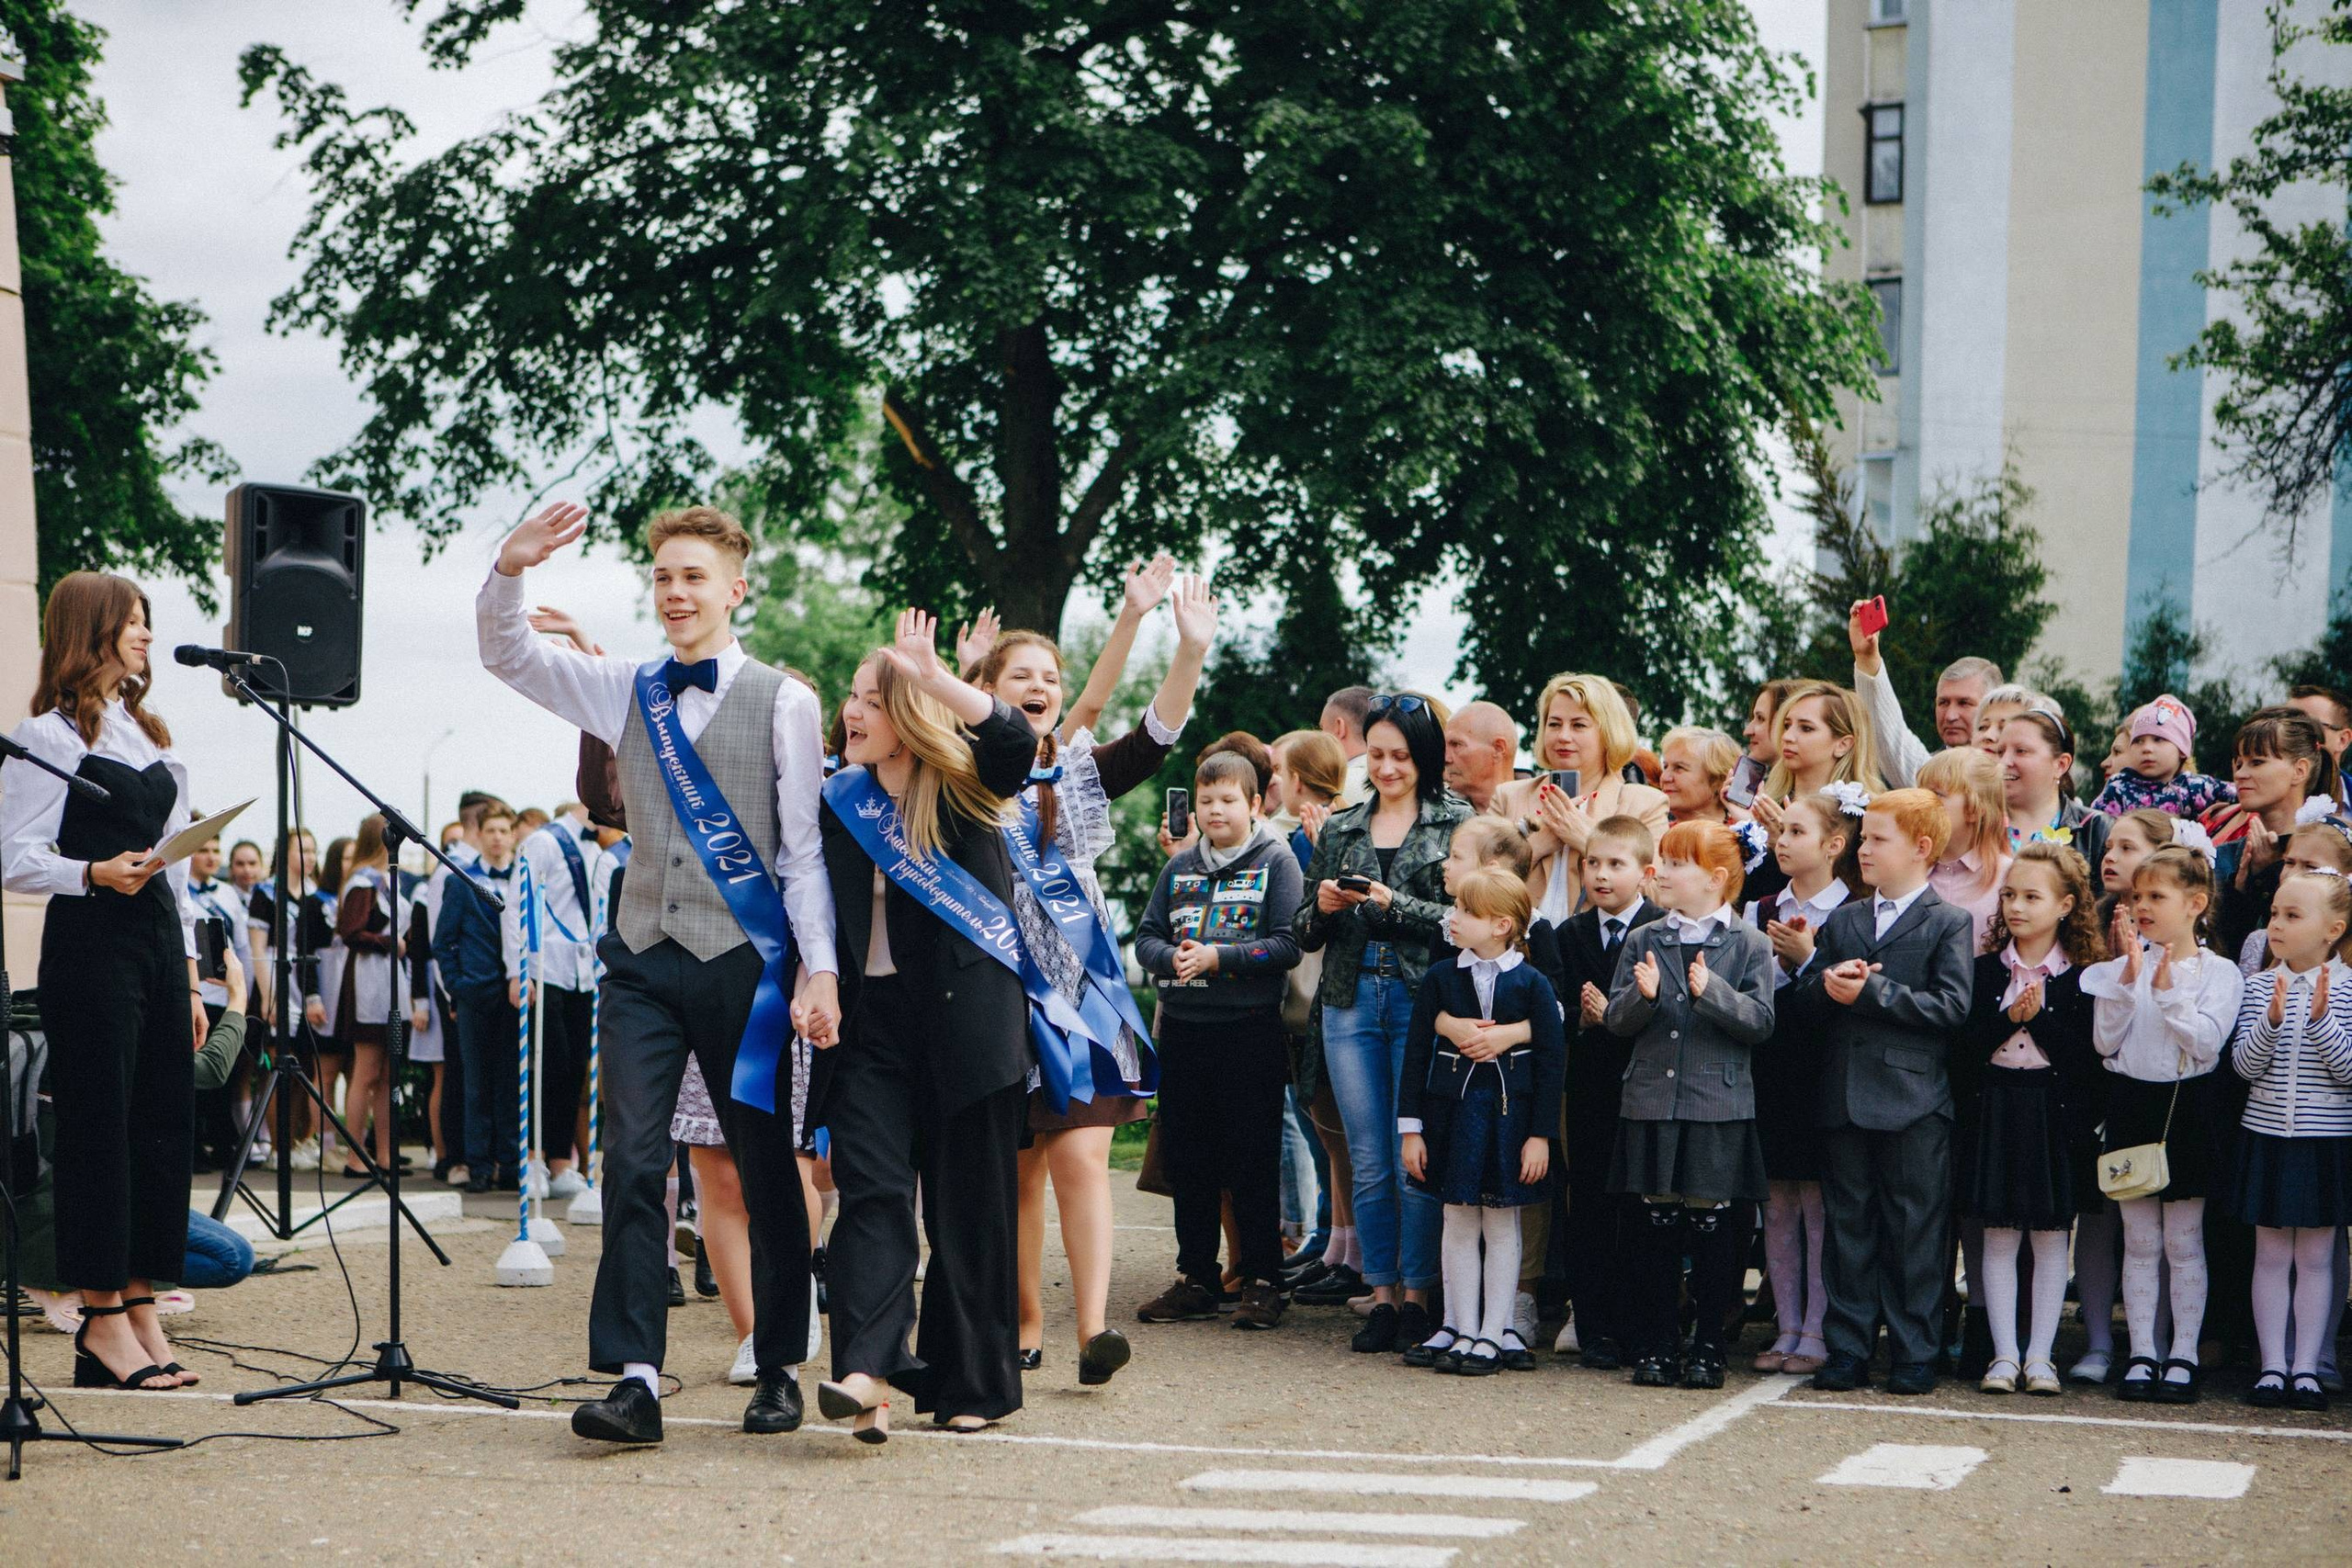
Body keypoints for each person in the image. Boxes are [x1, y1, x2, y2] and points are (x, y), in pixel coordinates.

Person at [481, 500, 838, 1446]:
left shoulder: (786, 701)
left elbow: (802, 853)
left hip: (745, 968)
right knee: (633, 1164)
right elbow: (510, 657)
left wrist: (820, 972)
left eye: (693, 577)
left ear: (734, 588)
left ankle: (778, 1364)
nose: (675, 593)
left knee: (765, 1173)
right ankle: (636, 1377)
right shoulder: (623, 685)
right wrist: (509, 570)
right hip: (640, 958)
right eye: (663, 577)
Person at [964, 570, 1216, 1385]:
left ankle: (1094, 1331)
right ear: (987, 693)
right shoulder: (963, 779)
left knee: (1080, 1158)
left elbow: (1144, 726)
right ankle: (1027, 1321)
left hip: (1081, 998)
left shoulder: (1072, 775)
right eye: (1019, 677)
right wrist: (959, 678)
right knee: (1021, 1169)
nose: (1039, 688)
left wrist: (1179, 643)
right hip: (999, 997)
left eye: (1049, 677)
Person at [813, 612, 1036, 1441]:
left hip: (968, 1022)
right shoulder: (841, 802)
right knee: (870, 1194)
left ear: (908, 715)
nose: (853, 711)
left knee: (965, 1210)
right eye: (852, 697)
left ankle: (970, 1381)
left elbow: (1015, 742)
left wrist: (939, 676)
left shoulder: (968, 784)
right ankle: (863, 1373)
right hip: (870, 1027)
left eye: (871, 699)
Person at [0, 570, 207, 1392]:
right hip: (91, 939)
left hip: (156, 937)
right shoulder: (47, 736)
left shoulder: (149, 731)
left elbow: (181, 873)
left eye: (148, 622)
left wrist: (191, 978)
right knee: (99, 1128)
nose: (147, 635)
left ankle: (142, 1303)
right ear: (91, 630)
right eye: (132, 622)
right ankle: (100, 1320)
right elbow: (13, 854)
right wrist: (90, 871)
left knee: (161, 1124)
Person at [1295, 693, 1472, 1354]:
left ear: (1424, 757)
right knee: (1368, 1158)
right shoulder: (1342, 824)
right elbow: (1302, 934)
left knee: (1412, 1155)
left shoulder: (1461, 821)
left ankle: (1422, 1296)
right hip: (1347, 998)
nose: (1388, 766)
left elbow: (1468, 919)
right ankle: (1383, 1294)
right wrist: (1320, 902)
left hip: (1420, 997)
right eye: (1376, 754)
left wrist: (1397, 906)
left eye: (1401, 755)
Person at [1788, 787, 1974, 1396]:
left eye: (1876, 839)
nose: (1863, 849)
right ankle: (1848, 1346)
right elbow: (1806, 1002)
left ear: (1921, 848)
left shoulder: (1949, 921)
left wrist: (1871, 993)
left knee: (1914, 1229)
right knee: (1849, 1227)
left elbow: (1952, 1007)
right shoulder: (1843, 919)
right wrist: (1827, 983)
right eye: (1863, 838)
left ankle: (1915, 1348)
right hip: (1845, 1094)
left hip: (1913, 1101)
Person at [1133, 750, 1305, 1331]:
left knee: (1252, 1157)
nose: (1214, 811)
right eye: (1206, 801)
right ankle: (1196, 1277)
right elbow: (1147, 936)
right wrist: (1174, 958)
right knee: (1189, 1157)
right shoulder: (1178, 868)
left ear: (1255, 804)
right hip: (1184, 1029)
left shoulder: (1276, 863)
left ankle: (1262, 1280)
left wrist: (1218, 958)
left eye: (1228, 800)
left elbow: (1286, 944)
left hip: (1248, 1029)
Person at [1603, 820, 1777, 1390]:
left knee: (1713, 1229)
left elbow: (1761, 1022)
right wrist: (1642, 998)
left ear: (1717, 879)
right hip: (1652, 1100)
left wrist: (1714, 993)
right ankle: (1656, 1343)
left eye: (1677, 864)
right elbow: (1615, 1019)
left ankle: (1709, 1344)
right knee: (1654, 1228)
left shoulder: (1750, 943)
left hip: (1717, 1107)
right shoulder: (1645, 937)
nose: (1662, 873)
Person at [2084, 845, 2243, 1404]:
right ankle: (2143, 1352)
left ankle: (2184, 1354)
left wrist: (2168, 990)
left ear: (2196, 903)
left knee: (2183, 1240)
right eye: (2137, 896)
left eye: (2157, 896)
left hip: (2188, 1108)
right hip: (2132, 1104)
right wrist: (2127, 984)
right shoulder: (2124, 967)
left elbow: (2205, 1044)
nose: (2143, 906)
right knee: (2140, 1240)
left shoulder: (2220, 973)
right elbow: (2105, 1045)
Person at [1398, 867, 1566, 1374]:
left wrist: (1540, 1136)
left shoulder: (1533, 983)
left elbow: (1551, 1063)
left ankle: (1496, 1329)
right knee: (1456, 1218)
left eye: (1466, 912)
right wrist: (1411, 1129)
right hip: (1450, 1117)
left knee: (1501, 1221)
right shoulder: (1440, 978)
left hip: (1508, 1122)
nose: (1453, 918)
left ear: (1500, 925)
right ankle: (1458, 1324)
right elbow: (1415, 1054)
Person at [1957, 844, 2105, 1396]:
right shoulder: (1982, 969)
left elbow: (2086, 1058)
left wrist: (2035, 1019)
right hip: (1997, 1104)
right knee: (1996, 1234)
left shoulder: (2084, 978)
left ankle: (2041, 1356)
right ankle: (2002, 1354)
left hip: (2052, 1110)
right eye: (2011, 895)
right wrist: (2006, 1021)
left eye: (2032, 897)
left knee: (2048, 1236)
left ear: (2065, 905)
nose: (2017, 906)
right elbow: (1962, 1048)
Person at [2230, 870, 2352, 1412]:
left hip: (2325, 1141)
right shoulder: (2258, 986)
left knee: (2319, 1256)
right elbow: (2243, 1067)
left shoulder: (2348, 989)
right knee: (2271, 1255)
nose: (2276, 924)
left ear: (2334, 929)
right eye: (2275, 913)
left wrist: (2323, 1021)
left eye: (2293, 916)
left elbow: (2348, 1072)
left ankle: (2307, 1366)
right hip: (2267, 1136)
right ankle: (2271, 1365)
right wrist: (2273, 1022)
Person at [1749, 793, 1862, 1376]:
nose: (1781, 840)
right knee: (1778, 1199)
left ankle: (1819, 1327)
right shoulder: (1760, 904)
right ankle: (1786, 1323)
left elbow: (1846, 991)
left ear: (1834, 844)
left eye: (1796, 830)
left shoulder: (1854, 911)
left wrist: (1808, 956)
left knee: (1819, 1202)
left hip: (1827, 1064)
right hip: (1772, 1063)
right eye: (1780, 831)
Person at [1555, 816, 1665, 1367]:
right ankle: (1594, 1325)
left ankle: (1643, 1325)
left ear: (1645, 874)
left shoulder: (1662, 929)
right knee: (1591, 1202)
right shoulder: (1569, 935)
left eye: (1616, 864)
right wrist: (1584, 1016)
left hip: (1647, 1086)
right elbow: (1552, 1006)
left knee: (1642, 1205)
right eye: (1592, 863)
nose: (1601, 875)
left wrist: (1620, 1014)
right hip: (1591, 1086)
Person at [1489, 673, 1670, 926]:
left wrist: (1590, 842)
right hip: (1516, 951)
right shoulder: (1508, 796)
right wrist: (1536, 847)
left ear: (1608, 734)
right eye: (1554, 724)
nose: (1563, 736)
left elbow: (1660, 896)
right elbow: (1475, 886)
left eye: (1578, 725)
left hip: (1597, 957)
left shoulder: (1645, 803)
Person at [503, 800, 609, 1198]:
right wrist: (518, 970)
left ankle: (562, 1161)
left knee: (574, 1070)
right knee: (544, 1066)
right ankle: (531, 1159)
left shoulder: (598, 850)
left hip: (584, 972)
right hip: (545, 969)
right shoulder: (544, 841)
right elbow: (517, 905)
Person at [434, 805, 523, 1195]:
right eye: (491, 830)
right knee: (475, 1084)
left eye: (505, 830)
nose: (498, 837)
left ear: (514, 835)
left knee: (510, 1082)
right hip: (475, 993)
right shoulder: (462, 881)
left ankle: (511, 1164)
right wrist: (459, 985)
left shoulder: (523, 880)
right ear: (480, 835)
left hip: (514, 995)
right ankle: (479, 1166)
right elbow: (443, 941)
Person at [2209, 706, 2344, 957]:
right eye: (2239, 763)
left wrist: (2269, 876)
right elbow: (2218, 952)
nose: (2240, 774)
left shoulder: (2335, 847)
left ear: (2299, 770)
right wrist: (2240, 892)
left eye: (2257, 762)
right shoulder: (2222, 858)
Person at [1847, 603, 2001, 786]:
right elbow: (1891, 738)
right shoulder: (1930, 775)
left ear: (1992, 708)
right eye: (1943, 703)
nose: (1950, 716)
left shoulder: (2015, 772)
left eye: (1964, 703)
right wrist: (1866, 658)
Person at [333, 814, 404, 1177]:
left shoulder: (386, 879)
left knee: (389, 1072)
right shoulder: (362, 882)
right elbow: (350, 931)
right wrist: (389, 942)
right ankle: (356, 1154)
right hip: (368, 982)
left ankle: (387, 1155)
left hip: (393, 981)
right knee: (366, 1071)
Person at [188, 832, 255, 1172]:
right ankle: (195, 1146)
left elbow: (242, 946)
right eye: (203, 850)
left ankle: (224, 1144)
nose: (211, 857)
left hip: (223, 995)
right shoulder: (177, 890)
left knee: (225, 1075)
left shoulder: (227, 894)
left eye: (216, 850)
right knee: (196, 1076)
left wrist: (245, 990)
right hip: (192, 995)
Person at [1917, 747, 2013, 960]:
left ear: (1974, 810)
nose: (1922, 803)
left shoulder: (2009, 877)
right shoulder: (1909, 870)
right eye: (1920, 793)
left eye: (1936, 795)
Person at [1996, 709, 2109, 875]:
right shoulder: (1976, 823)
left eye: (2021, 751)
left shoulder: (2096, 829)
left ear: (2061, 764)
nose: (2004, 761)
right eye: (2000, 752)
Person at [2090, 695, 2236, 819]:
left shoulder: (2197, 786)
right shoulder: (2118, 788)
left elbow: (2244, 795)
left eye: (2158, 740)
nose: (2146, 748)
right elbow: (2095, 830)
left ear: (2182, 751)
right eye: (2138, 741)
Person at [1442, 702, 1520, 814]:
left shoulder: (1544, 811)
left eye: (1456, 744)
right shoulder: (1433, 814)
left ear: (1498, 749)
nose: (1445, 758)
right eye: (1444, 747)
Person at [1657, 726, 1742, 827]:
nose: (1664, 778)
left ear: (1718, 780)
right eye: (1665, 766)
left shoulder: (1746, 837)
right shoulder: (1657, 835)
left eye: (1679, 768)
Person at [1321, 685, 1376, 806]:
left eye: (1323, 729)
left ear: (1339, 727)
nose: (1320, 739)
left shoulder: (1335, 786)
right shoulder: (1391, 780)